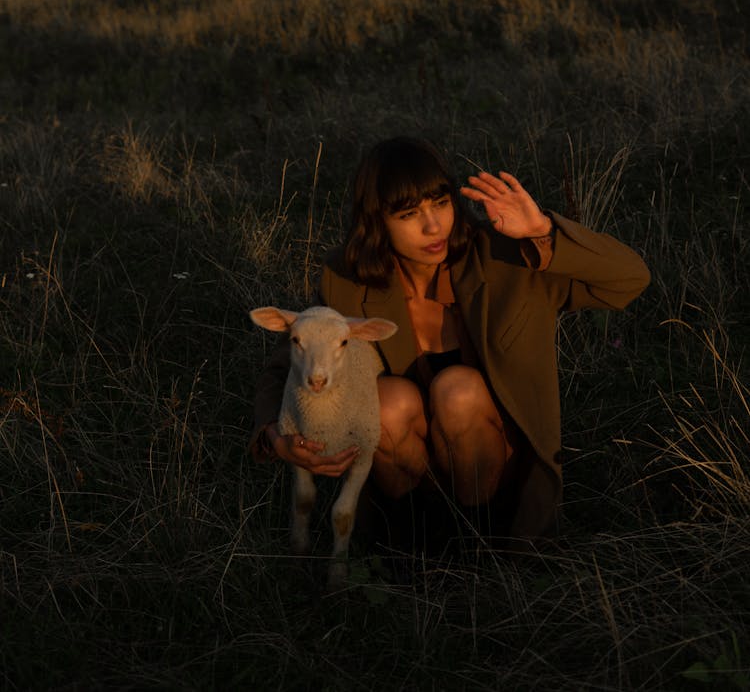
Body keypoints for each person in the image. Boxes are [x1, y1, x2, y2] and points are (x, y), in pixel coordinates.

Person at [251, 136, 650, 544]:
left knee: (457, 392)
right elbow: (285, 364)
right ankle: (413, 550)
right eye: (409, 214)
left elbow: (630, 280)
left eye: (440, 204)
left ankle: (484, 549)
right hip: (408, 477)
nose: (433, 226)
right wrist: (276, 437)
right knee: (387, 402)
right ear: (377, 222)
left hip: (498, 472)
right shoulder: (347, 281)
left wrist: (544, 232)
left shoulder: (506, 258)